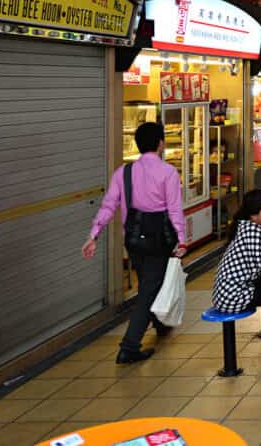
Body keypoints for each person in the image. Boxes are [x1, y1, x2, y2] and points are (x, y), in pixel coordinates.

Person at [83, 122, 188, 364]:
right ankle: (129, 346)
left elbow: (109, 205)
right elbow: (174, 210)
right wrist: (182, 239)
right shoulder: (168, 173)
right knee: (149, 289)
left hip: (133, 239)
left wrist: (94, 234)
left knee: (149, 282)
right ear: (161, 143)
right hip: (159, 239)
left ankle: (160, 324)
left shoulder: (124, 173)